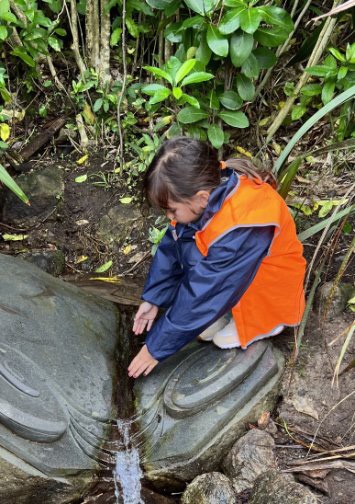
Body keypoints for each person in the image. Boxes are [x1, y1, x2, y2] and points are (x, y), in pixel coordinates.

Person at [128, 137, 306, 379]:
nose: (169, 215)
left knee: (220, 334)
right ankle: (227, 312)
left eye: (171, 209)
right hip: (231, 278)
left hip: (268, 290)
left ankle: (263, 324)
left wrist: (155, 348)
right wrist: (154, 298)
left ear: (201, 197)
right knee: (188, 246)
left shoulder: (243, 223)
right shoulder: (208, 191)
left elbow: (206, 290)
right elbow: (173, 247)